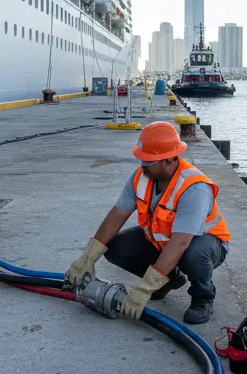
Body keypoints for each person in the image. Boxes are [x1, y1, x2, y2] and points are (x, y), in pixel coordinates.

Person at [65, 121, 230, 324]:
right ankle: (166, 282)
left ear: (169, 160)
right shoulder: (141, 177)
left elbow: (180, 242)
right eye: (142, 159)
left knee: (193, 254)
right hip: (164, 241)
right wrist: (87, 258)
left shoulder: (194, 188)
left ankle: (203, 297)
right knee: (116, 247)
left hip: (204, 244)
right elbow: (116, 215)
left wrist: (144, 288)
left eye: (148, 161)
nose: (142, 165)